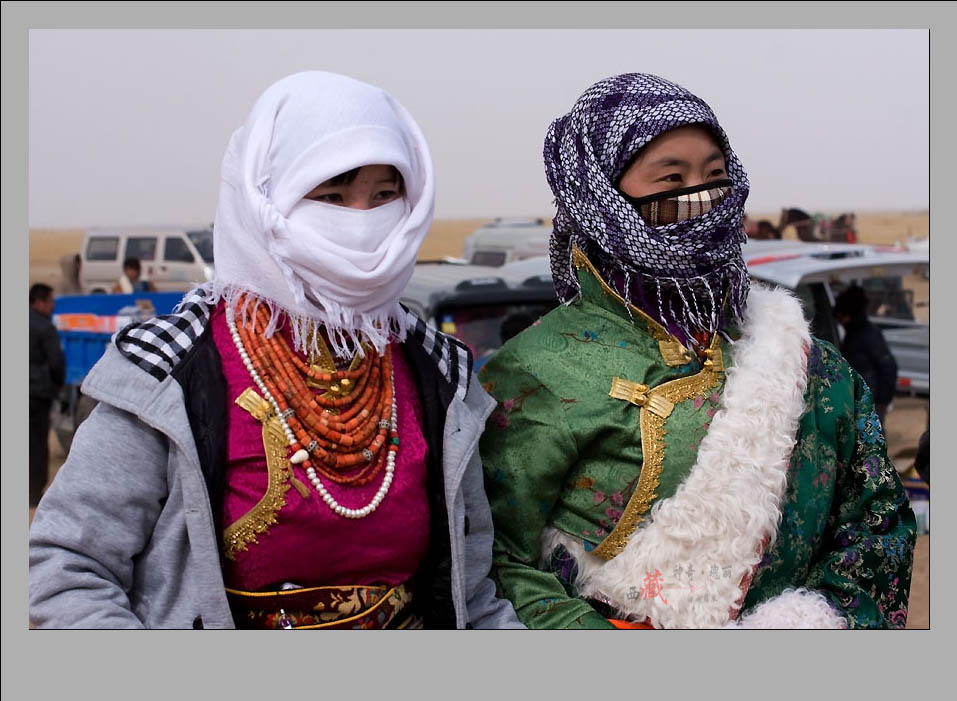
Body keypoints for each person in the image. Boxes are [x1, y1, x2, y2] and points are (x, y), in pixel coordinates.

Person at [29, 71, 523, 630]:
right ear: (265, 200)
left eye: (385, 196)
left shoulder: (437, 373)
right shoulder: (169, 372)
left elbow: (473, 595)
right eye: (332, 196)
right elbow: (68, 569)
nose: (362, 226)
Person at [478, 73, 915, 629]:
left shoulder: (803, 357)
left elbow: (877, 518)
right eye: (673, 177)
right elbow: (493, 561)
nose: (704, 196)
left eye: (715, 174)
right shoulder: (537, 368)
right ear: (601, 197)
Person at [833, 285, 898, 425]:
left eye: (841, 317)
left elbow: (888, 367)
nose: (840, 321)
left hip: (868, 404)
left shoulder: (866, 335)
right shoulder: (854, 334)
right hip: (858, 402)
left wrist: (882, 401)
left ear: (848, 315)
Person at [29, 283, 66, 507]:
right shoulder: (44, 327)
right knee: (36, 444)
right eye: (51, 302)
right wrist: (57, 386)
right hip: (37, 393)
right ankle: (33, 493)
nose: (53, 306)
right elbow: (56, 362)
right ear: (40, 302)